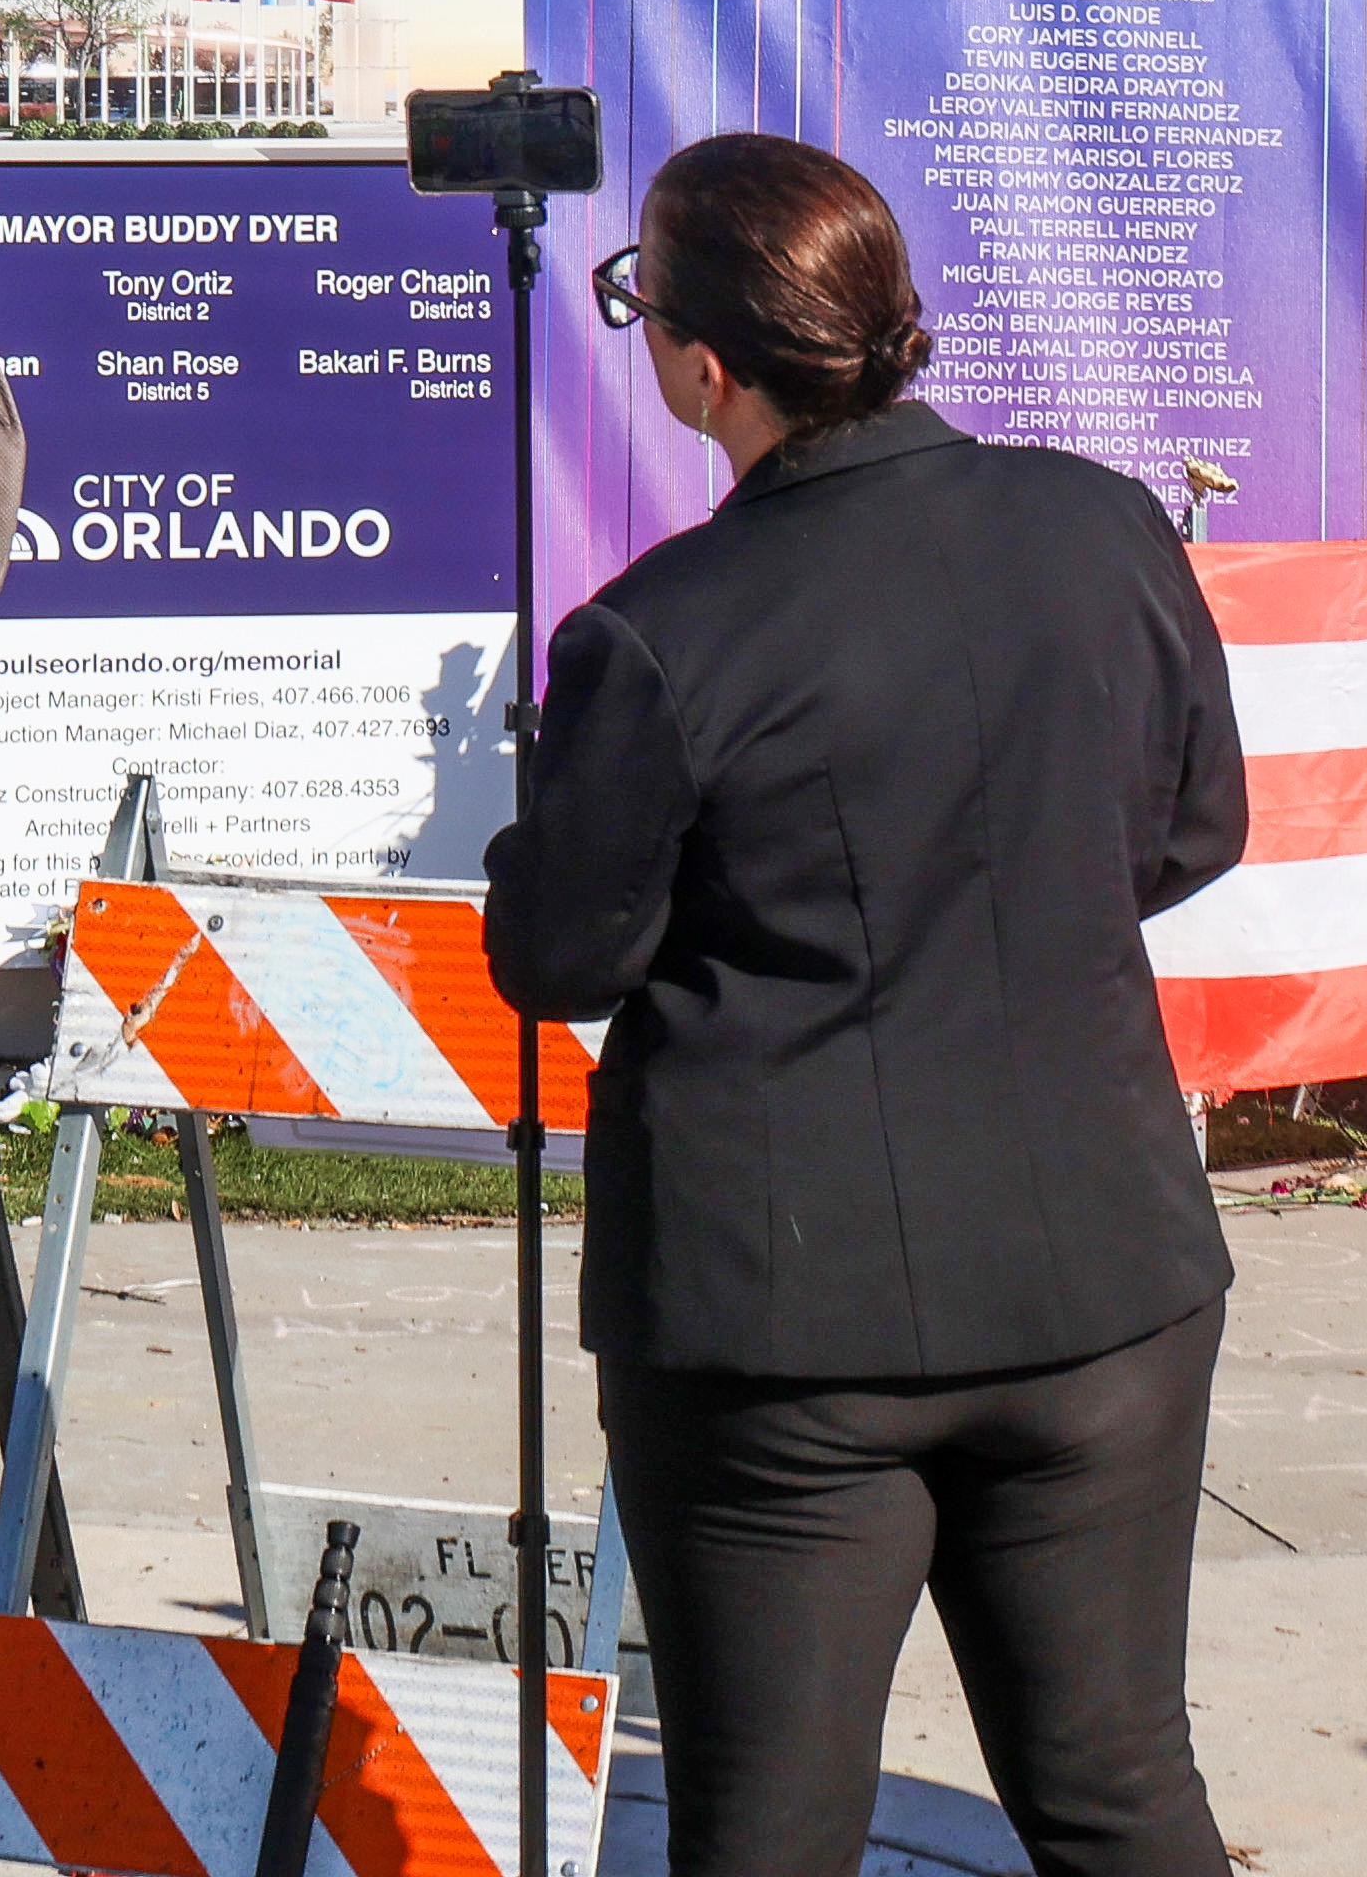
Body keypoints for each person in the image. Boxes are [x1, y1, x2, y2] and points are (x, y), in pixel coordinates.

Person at [484, 133, 1252, 1877]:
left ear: (703, 360)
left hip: (777, 1332)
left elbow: (561, 960)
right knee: (1118, 1789)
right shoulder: (1102, 521)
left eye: (641, 307)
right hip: (1102, 1284)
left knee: (764, 1830)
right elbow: (1198, 826)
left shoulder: (660, 630)